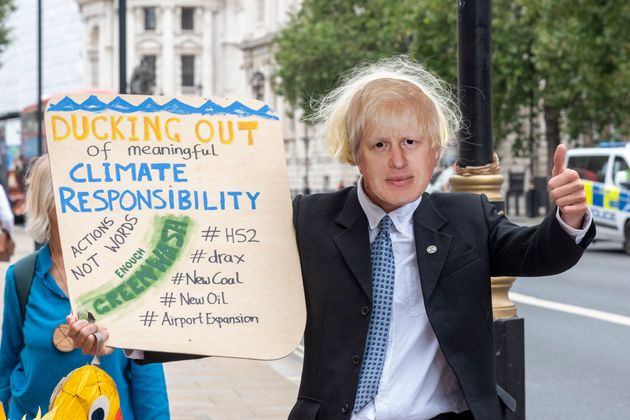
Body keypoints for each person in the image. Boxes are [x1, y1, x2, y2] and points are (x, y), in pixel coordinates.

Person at [69, 57, 594, 420]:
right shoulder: (308, 220)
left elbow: (536, 252)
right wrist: (129, 332)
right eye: (380, 143)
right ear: (353, 153)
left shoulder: (467, 217)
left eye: (412, 142)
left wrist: (567, 219)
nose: (398, 160)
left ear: (434, 151)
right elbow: (231, 306)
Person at [0, 155, 171, 420]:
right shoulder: (21, 277)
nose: (86, 201)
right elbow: (7, 365)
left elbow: (147, 375)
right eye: (72, 191)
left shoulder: (125, 275)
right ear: (47, 202)